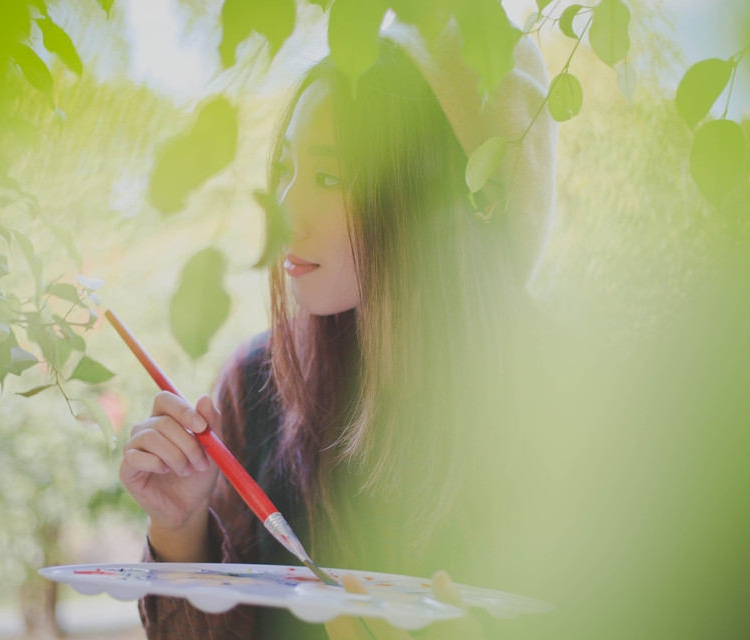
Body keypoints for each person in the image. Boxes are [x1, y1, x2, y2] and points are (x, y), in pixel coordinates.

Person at [119, 18, 556, 640]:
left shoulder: (567, 410)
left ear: (436, 201)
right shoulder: (255, 384)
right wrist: (180, 526)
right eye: (287, 170)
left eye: (330, 177)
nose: (285, 211)